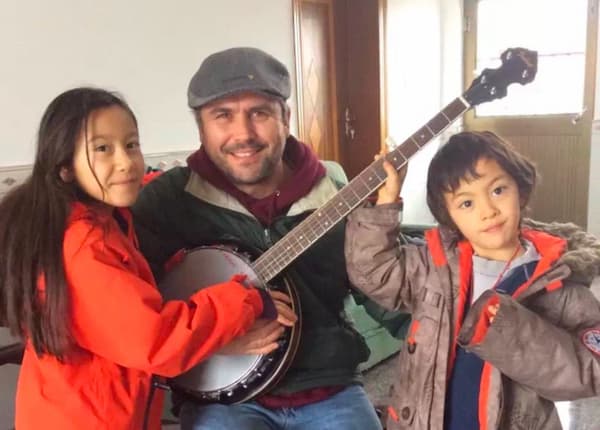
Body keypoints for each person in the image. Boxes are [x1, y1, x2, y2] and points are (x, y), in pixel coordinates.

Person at [0, 87, 295, 429]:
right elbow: (156, 343)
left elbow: (117, 305)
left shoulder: (101, 218)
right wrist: (246, 300)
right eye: (102, 149)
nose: (125, 162)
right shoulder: (84, 246)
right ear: (65, 167)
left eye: (131, 144)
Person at [132, 47, 385, 430]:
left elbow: (380, 285)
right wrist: (209, 336)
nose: (244, 134)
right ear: (201, 128)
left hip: (328, 388)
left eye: (259, 113)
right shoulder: (169, 200)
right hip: (223, 399)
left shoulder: (332, 195)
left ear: (285, 118)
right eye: (223, 116)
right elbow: (127, 304)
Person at [345, 130, 600, 430]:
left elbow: (591, 371)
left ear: (520, 188)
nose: (488, 211)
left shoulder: (559, 281)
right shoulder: (434, 267)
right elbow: (372, 271)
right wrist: (386, 201)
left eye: (498, 190)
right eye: (466, 203)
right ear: (449, 217)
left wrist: (510, 330)